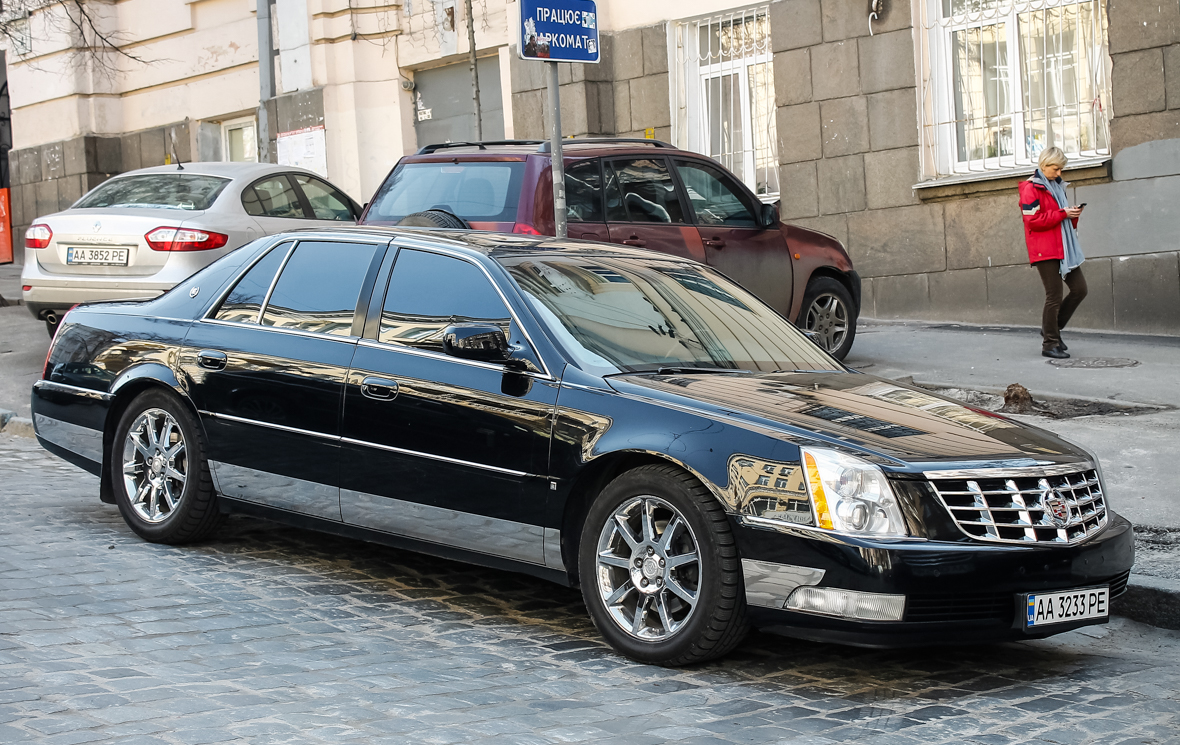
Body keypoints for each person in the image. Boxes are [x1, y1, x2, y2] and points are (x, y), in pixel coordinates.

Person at [1020, 147, 1086, 359]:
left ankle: (1052, 330)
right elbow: (1033, 220)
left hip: (1064, 247)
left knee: (1080, 289)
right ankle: (1049, 343)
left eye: (1061, 169)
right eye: (1056, 169)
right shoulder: (1030, 188)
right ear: (1044, 164)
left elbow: (1061, 219)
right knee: (1054, 296)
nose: (1059, 173)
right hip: (1044, 249)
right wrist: (1062, 213)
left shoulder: (1057, 187)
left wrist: (1072, 214)